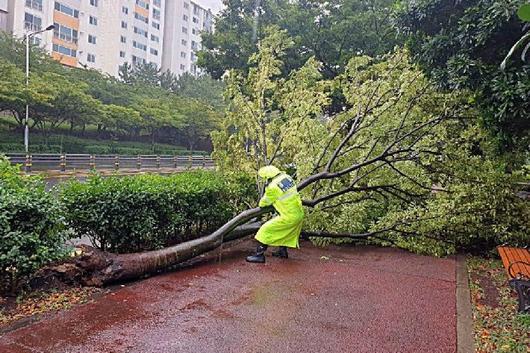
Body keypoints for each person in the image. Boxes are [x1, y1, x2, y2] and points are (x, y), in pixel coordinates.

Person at [246, 165, 304, 263]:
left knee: (265, 230)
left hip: (288, 217)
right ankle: (282, 252)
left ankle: (259, 255)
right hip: (299, 214)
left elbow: (263, 203)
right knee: (285, 233)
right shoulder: (287, 178)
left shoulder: (272, 187)